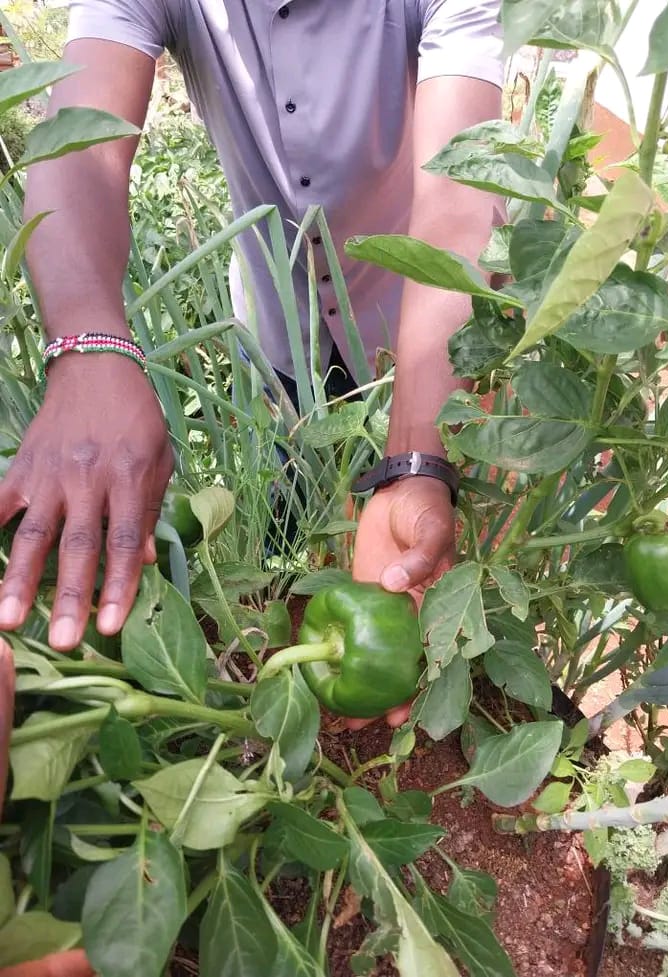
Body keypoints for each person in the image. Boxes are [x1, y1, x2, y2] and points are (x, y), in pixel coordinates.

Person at [0, 0, 504, 727]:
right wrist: (88, 349)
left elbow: (458, 201)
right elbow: (79, 148)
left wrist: (417, 459)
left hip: (413, 332)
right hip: (283, 326)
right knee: (290, 490)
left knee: (427, 530)